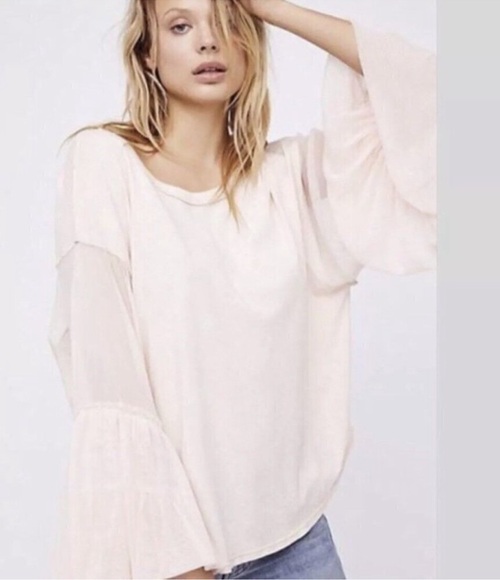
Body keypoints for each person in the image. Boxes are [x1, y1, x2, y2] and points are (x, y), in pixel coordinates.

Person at [47, 0, 436, 578]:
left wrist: (270, 7)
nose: (208, 41)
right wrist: (177, 561)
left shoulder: (295, 182)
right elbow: (108, 376)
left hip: (297, 546)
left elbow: (433, 108)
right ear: (148, 52)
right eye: (181, 26)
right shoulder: (104, 164)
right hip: (164, 554)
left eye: (228, 24)